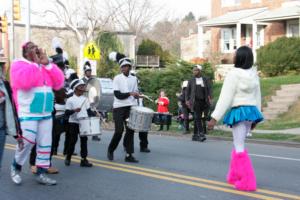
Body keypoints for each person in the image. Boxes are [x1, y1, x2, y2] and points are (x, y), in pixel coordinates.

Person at [207, 46, 264, 191]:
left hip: (239, 112)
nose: (233, 56)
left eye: (235, 54)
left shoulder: (233, 74)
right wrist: (256, 120)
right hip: (251, 113)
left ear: (239, 58)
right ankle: (235, 176)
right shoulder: (253, 74)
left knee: (239, 147)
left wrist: (214, 118)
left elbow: (226, 97)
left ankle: (247, 182)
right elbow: (258, 96)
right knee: (238, 144)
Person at [9, 42, 64, 185]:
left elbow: (58, 83)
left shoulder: (43, 65)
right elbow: (25, 83)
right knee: (27, 141)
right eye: (32, 48)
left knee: (45, 144)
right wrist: (35, 65)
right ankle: (16, 166)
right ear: (25, 52)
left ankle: (41, 172)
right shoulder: (18, 65)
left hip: (45, 112)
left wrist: (48, 65)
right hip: (28, 112)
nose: (36, 50)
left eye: (36, 47)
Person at [107, 52, 140, 163]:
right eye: (122, 67)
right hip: (119, 107)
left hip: (130, 107)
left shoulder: (134, 78)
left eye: (126, 66)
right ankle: (111, 149)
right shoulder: (117, 78)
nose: (124, 68)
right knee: (119, 131)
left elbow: (135, 91)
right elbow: (118, 95)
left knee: (130, 130)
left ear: (129, 67)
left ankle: (129, 154)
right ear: (120, 68)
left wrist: (136, 94)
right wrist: (130, 94)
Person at [64, 78, 95, 167]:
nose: (83, 88)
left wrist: (94, 115)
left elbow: (88, 111)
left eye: (83, 87)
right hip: (73, 123)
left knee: (84, 141)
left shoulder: (85, 99)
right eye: (81, 87)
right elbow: (67, 113)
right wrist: (74, 110)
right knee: (72, 141)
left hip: (84, 122)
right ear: (75, 88)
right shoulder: (70, 100)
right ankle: (68, 157)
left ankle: (83, 159)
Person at [0, 59, 23, 174]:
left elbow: (12, 109)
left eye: (2, 66)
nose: (3, 69)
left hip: (1, 128)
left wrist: (17, 133)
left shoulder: (5, 84)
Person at [186, 65, 212, 142]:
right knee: (197, 117)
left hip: (204, 101)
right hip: (195, 101)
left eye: (196, 70)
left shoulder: (205, 79)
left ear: (200, 71)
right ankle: (201, 133)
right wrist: (187, 100)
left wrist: (210, 97)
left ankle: (194, 135)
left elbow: (209, 89)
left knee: (198, 117)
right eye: (193, 70)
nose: (194, 72)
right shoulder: (191, 80)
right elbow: (187, 91)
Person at [81, 61, 101, 142]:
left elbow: (96, 89)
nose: (89, 72)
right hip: (84, 102)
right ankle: (84, 132)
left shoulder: (93, 80)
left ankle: (94, 134)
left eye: (90, 71)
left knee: (95, 117)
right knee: (84, 118)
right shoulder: (81, 80)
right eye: (88, 71)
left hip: (92, 102)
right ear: (85, 72)